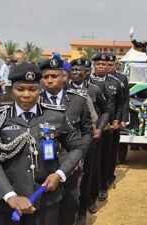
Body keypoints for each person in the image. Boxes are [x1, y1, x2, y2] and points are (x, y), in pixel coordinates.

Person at [0, 63, 84, 225]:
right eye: (20, 89)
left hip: (45, 202)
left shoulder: (55, 116)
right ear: (11, 89)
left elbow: (78, 146)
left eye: (32, 89)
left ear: (40, 89)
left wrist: (60, 173)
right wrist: (11, 196)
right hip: (7, 204)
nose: (26, 95)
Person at [38, 58, 93, 225]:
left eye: (54, 76)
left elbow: (87, 132)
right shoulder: (35, 101)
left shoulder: (78, 100)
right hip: (42, 164)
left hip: (70, 163)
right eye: (46, 77)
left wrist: (78, 157)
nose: (49, 80)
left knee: (69, 205)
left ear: (64, 77)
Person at [68, 58, 110, 224]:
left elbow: (106, 110)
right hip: (69, 139)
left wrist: (99, 127)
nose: (78, 73)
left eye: (81, 70)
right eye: (74, 70)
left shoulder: (94, 89)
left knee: (87, 175)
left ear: (87, 73)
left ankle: (82, 212)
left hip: (89, 138)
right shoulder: (64, 90)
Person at [89, 53, 123, 203]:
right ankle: (91, 189)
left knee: (106, 157)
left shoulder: (115, 82)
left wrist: (117, 120)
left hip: (108, 127)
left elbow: (121, 103)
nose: (102, 67)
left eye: (104, 64)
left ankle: (103, 186)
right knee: (91, 161)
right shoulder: (87, 82)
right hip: (89, 128)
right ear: (94, 66)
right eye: (99, 64)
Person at [106, 54, 129, 188]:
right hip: (102, 121)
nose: (109, 67)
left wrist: (123, 119)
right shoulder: (96, 79)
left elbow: (125, 100)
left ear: (116, 65)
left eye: (111, 64)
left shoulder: (121, 78)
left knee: (112, 151)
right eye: (106, 64)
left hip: (115, 120)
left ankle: (110, 177)